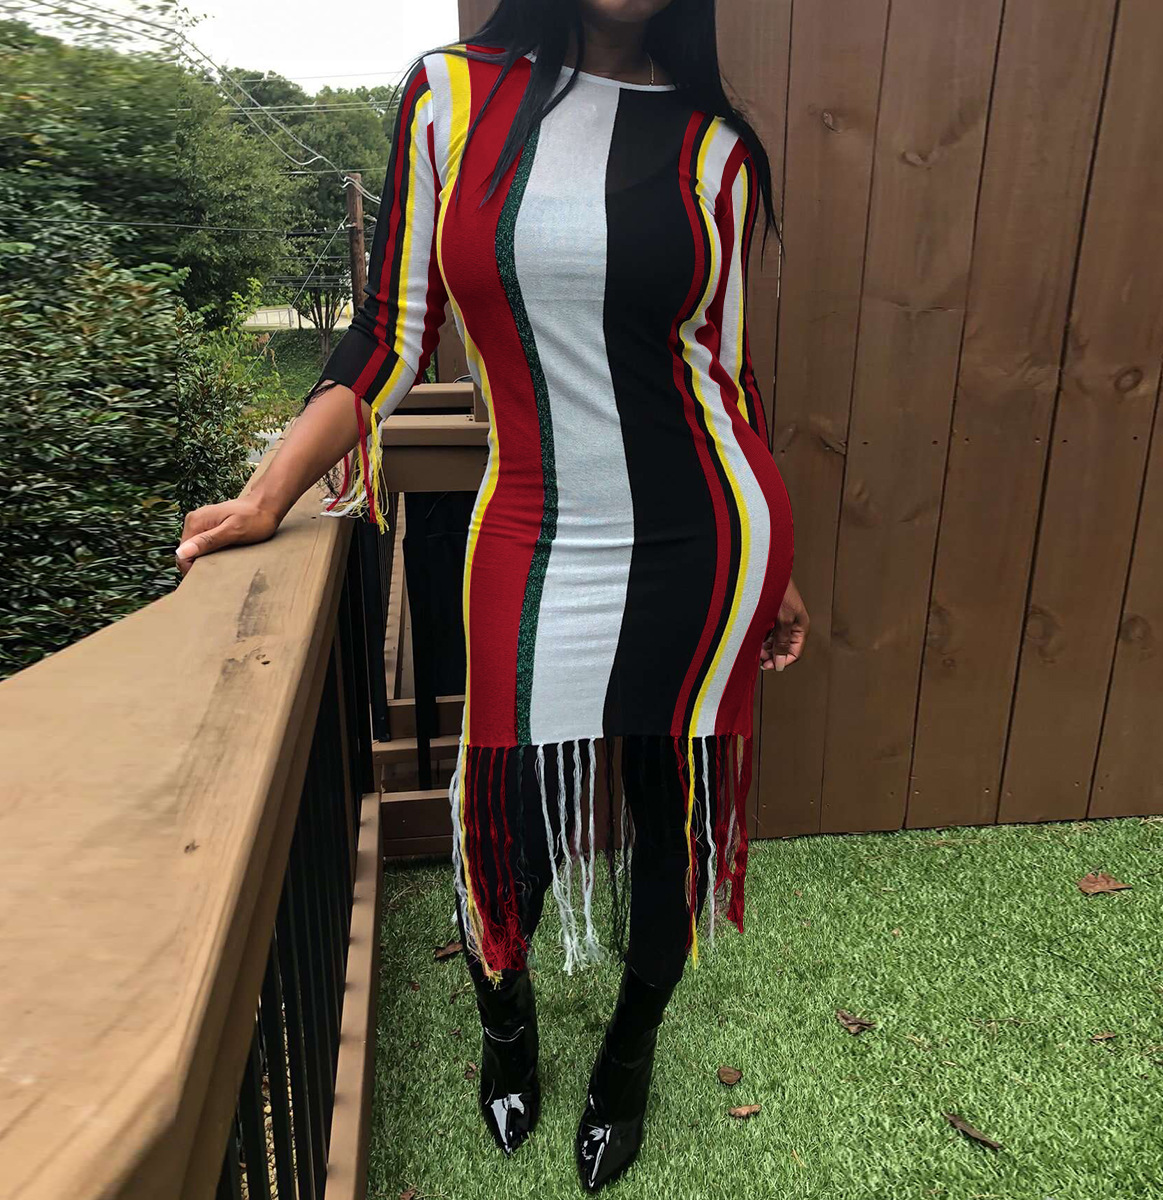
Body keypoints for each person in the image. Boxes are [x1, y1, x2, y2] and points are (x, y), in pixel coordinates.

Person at [177, 0, 810, 1190]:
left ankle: (629, 1052)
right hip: (530, 530)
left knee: (672, 816)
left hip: (707, 541)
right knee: (500, 818)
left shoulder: (716, 149)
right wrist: (267, 493)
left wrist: (780, 575)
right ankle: (506, 1027)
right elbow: (391, 332)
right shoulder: (452, 97)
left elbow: (723, 371)